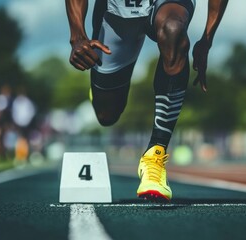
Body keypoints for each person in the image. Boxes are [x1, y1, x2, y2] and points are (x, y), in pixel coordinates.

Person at [65, 0, 228, 202]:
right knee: (107, 115)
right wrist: (77, 35)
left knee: (173, 30)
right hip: (116, 13)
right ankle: (101, 92)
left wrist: (206, 40)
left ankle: (155, 156)